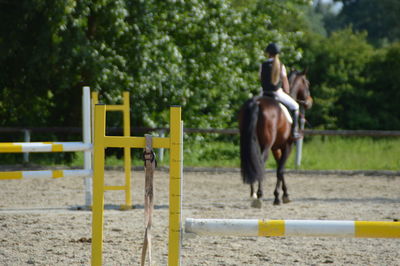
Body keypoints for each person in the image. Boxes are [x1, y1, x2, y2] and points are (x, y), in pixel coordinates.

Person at [259, 42, 301, 139]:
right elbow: (285, 83)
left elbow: (261, 79)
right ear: (277, 54)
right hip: (277, 93)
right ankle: (294, 132)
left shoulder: (262, 65)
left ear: (267, 53)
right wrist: (287, 92)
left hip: (263, 93)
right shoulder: (281, 66)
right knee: (295, 106)